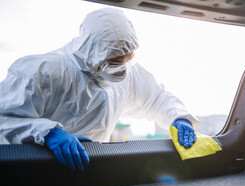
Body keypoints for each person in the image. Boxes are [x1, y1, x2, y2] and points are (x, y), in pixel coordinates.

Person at [0, 8, 199, 171]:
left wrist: (178, 118)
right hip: (31, 170)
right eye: (114, 62)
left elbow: (156, 99)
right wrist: (47, 133)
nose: (121, 70)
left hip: (87, 169)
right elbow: (3, 119)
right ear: (92, 53)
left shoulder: (129, 72)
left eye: (128, 59)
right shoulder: (43, 70)